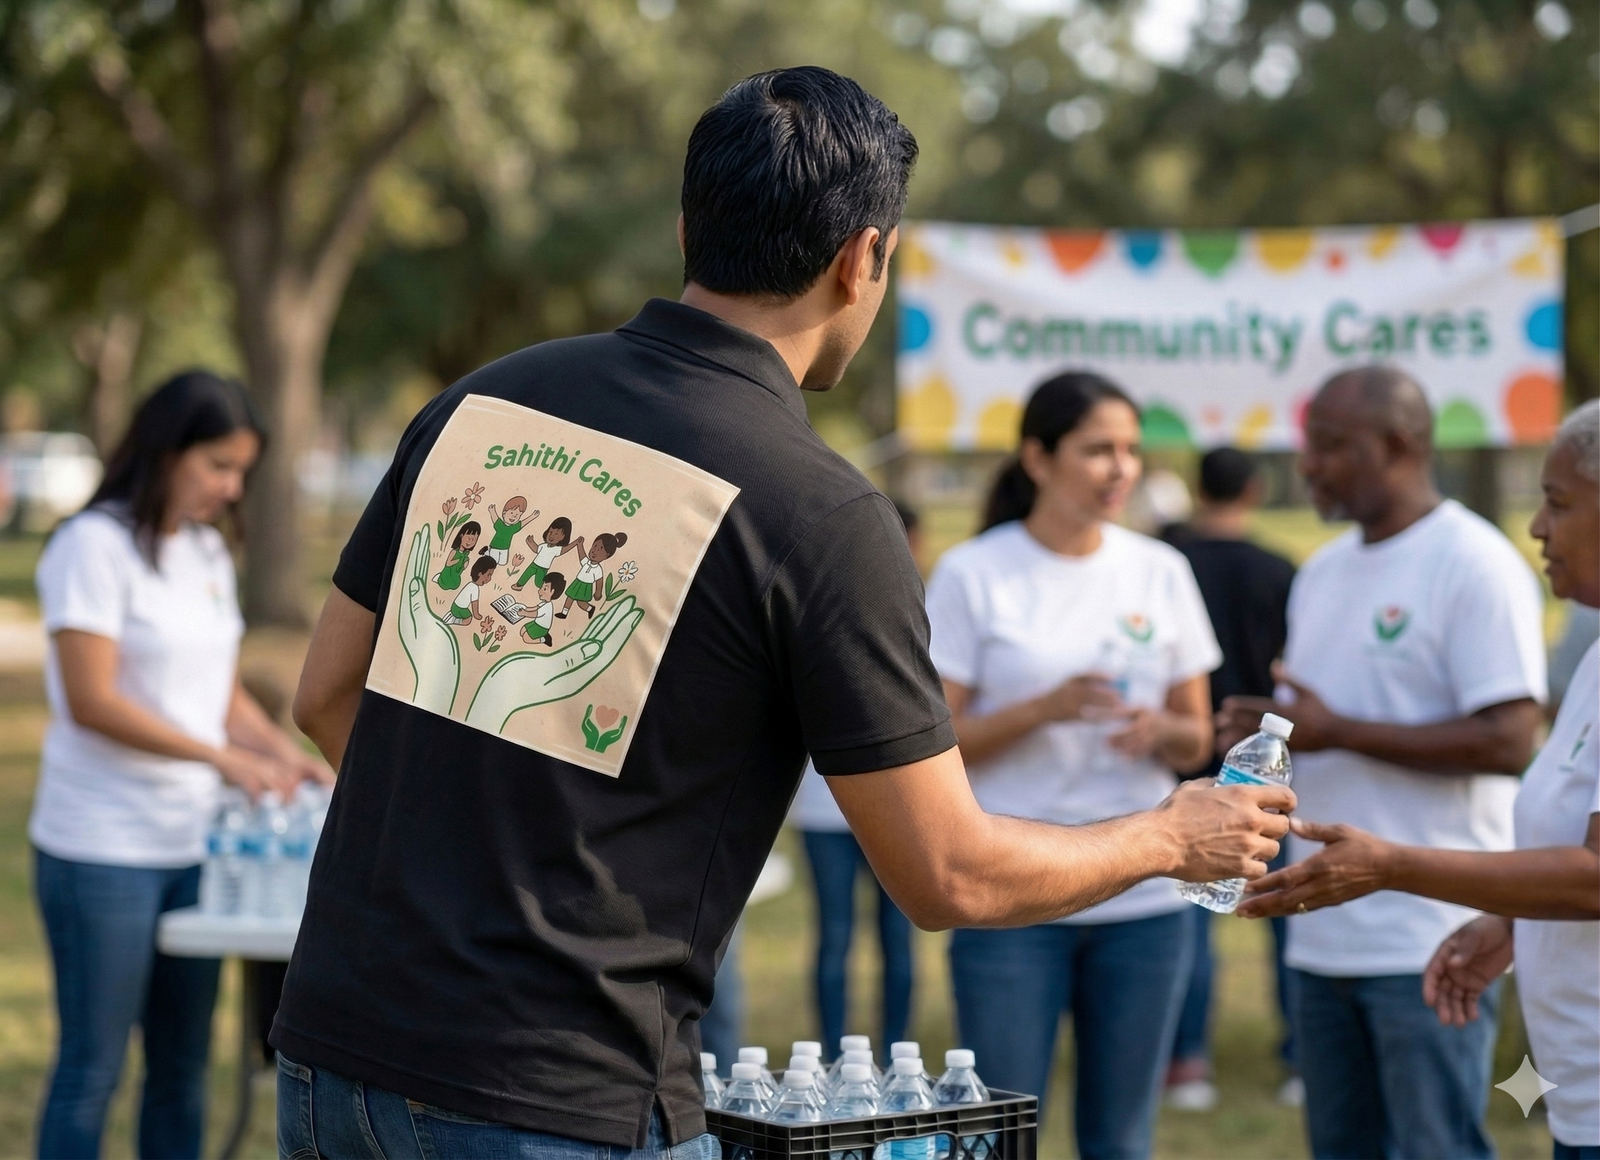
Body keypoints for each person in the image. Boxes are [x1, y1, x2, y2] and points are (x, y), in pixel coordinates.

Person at [277, 67, 1290, 1160]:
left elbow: (326, 694)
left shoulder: (478, 405)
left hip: (332, 1058)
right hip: (557, 1094)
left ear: (688, 227)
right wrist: (1165, 835)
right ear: (862, 259)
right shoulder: (821, 513)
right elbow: (948, 872)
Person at [1238, 398, 1600, 1160]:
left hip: (1415, 931)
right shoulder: (1595, 659)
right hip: (1339, 932)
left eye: (1559, 502)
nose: (1538, 527)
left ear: (1398, 445)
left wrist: (1391, 864)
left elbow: (1585, 860)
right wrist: (1510, 923)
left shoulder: (1473, 561)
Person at [30, 371, 329, 1159]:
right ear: (166, 451)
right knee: (92, 1070)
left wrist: (287, 756)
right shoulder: (91, 546)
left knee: (183, 1070)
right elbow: (91, 699)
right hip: (102, 849)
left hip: (193, 850)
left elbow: (216, 691)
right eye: (218, 465)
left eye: (242, 472)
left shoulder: (205, 553)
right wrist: (221, 760)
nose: (231, 489)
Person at [925, 372, 1224, 1159]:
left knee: (1121, 1140)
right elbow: (935, 744)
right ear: (1038, 458)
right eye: (1097, 449)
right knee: (996, 1139)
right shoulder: (974, 573)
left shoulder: (1161, 569)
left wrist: (1159, 729)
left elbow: (1197, 740)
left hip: (1143, 902)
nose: (1121, 468)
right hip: (1012, 894)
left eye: (1130, 449)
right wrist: (1042, 708)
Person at [1159, 448, 1299, 1112]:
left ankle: (1187, 1060)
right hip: (1267, 766)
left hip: (1186, 768)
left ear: (1197, 487)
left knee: (1190, 918)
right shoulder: (1280, 570)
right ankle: (1300, 1059)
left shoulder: (1169, 562)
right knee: (1287, 909)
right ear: (1256, 489)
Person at [790, 501, 922, 1055]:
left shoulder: (922, 608)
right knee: (837, 936)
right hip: (828, 808)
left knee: (895, 935)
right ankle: (831, 1055)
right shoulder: (819, 599)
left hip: (897, 804)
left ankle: (893, 1054)